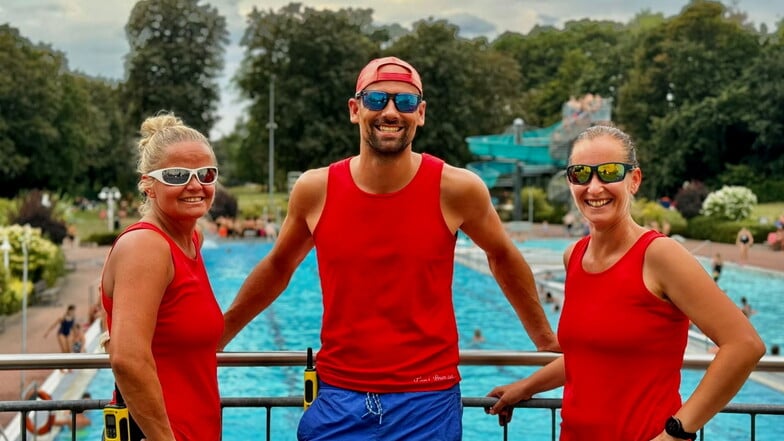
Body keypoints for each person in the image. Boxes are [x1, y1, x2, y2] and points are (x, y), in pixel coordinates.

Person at [220, 56, 559, 441]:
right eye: (377, 100)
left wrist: (544, 339)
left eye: (406, 102)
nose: (392, 112)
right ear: (355, 109)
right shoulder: (316, 190)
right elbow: (279, 266)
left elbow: (503, 256)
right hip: (339, 395)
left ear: (422, 113)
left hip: (427, 398)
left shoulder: (457, 189)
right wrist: (220, 334)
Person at [486, 124, 764, 440]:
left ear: (634, 180)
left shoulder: (660, 255)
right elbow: (590, 358)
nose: (594, 187)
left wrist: (675, 433)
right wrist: (525, 386)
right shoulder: (573, 256)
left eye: (608, 172)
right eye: (581, 174)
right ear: (570, 182)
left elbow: (744, 345)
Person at [100, 113, 223, 441]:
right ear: (147, 184)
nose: (195, 185)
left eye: (205, 174)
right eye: (177, 175)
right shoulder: (146, 247)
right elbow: (127, 358)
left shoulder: (191, 240)